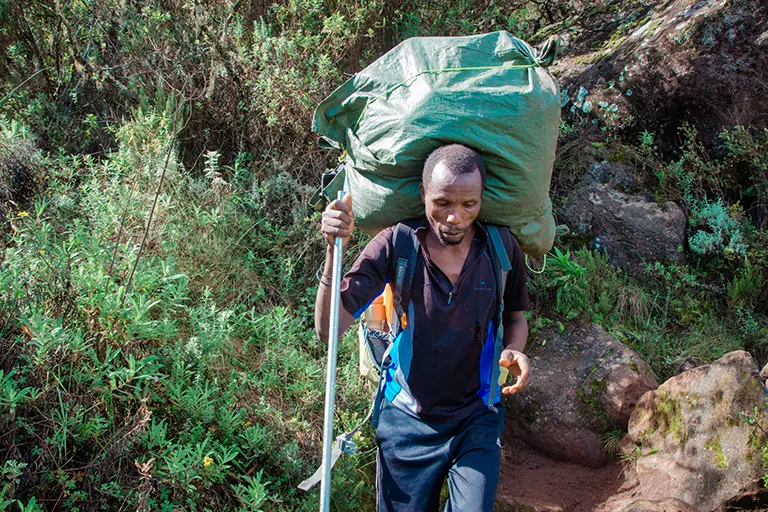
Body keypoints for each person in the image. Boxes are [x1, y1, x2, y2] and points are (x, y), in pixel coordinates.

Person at [315, 143, 531, 512]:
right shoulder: (397, 244)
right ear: (423, 195)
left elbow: (515, 317)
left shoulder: (500, 247)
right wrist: (334, 252)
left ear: (482, 200)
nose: (454, 218)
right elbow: (328, 331)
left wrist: (514, 349)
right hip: (407, 418)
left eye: (469, 205)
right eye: (442, 203)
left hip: (476, 415)